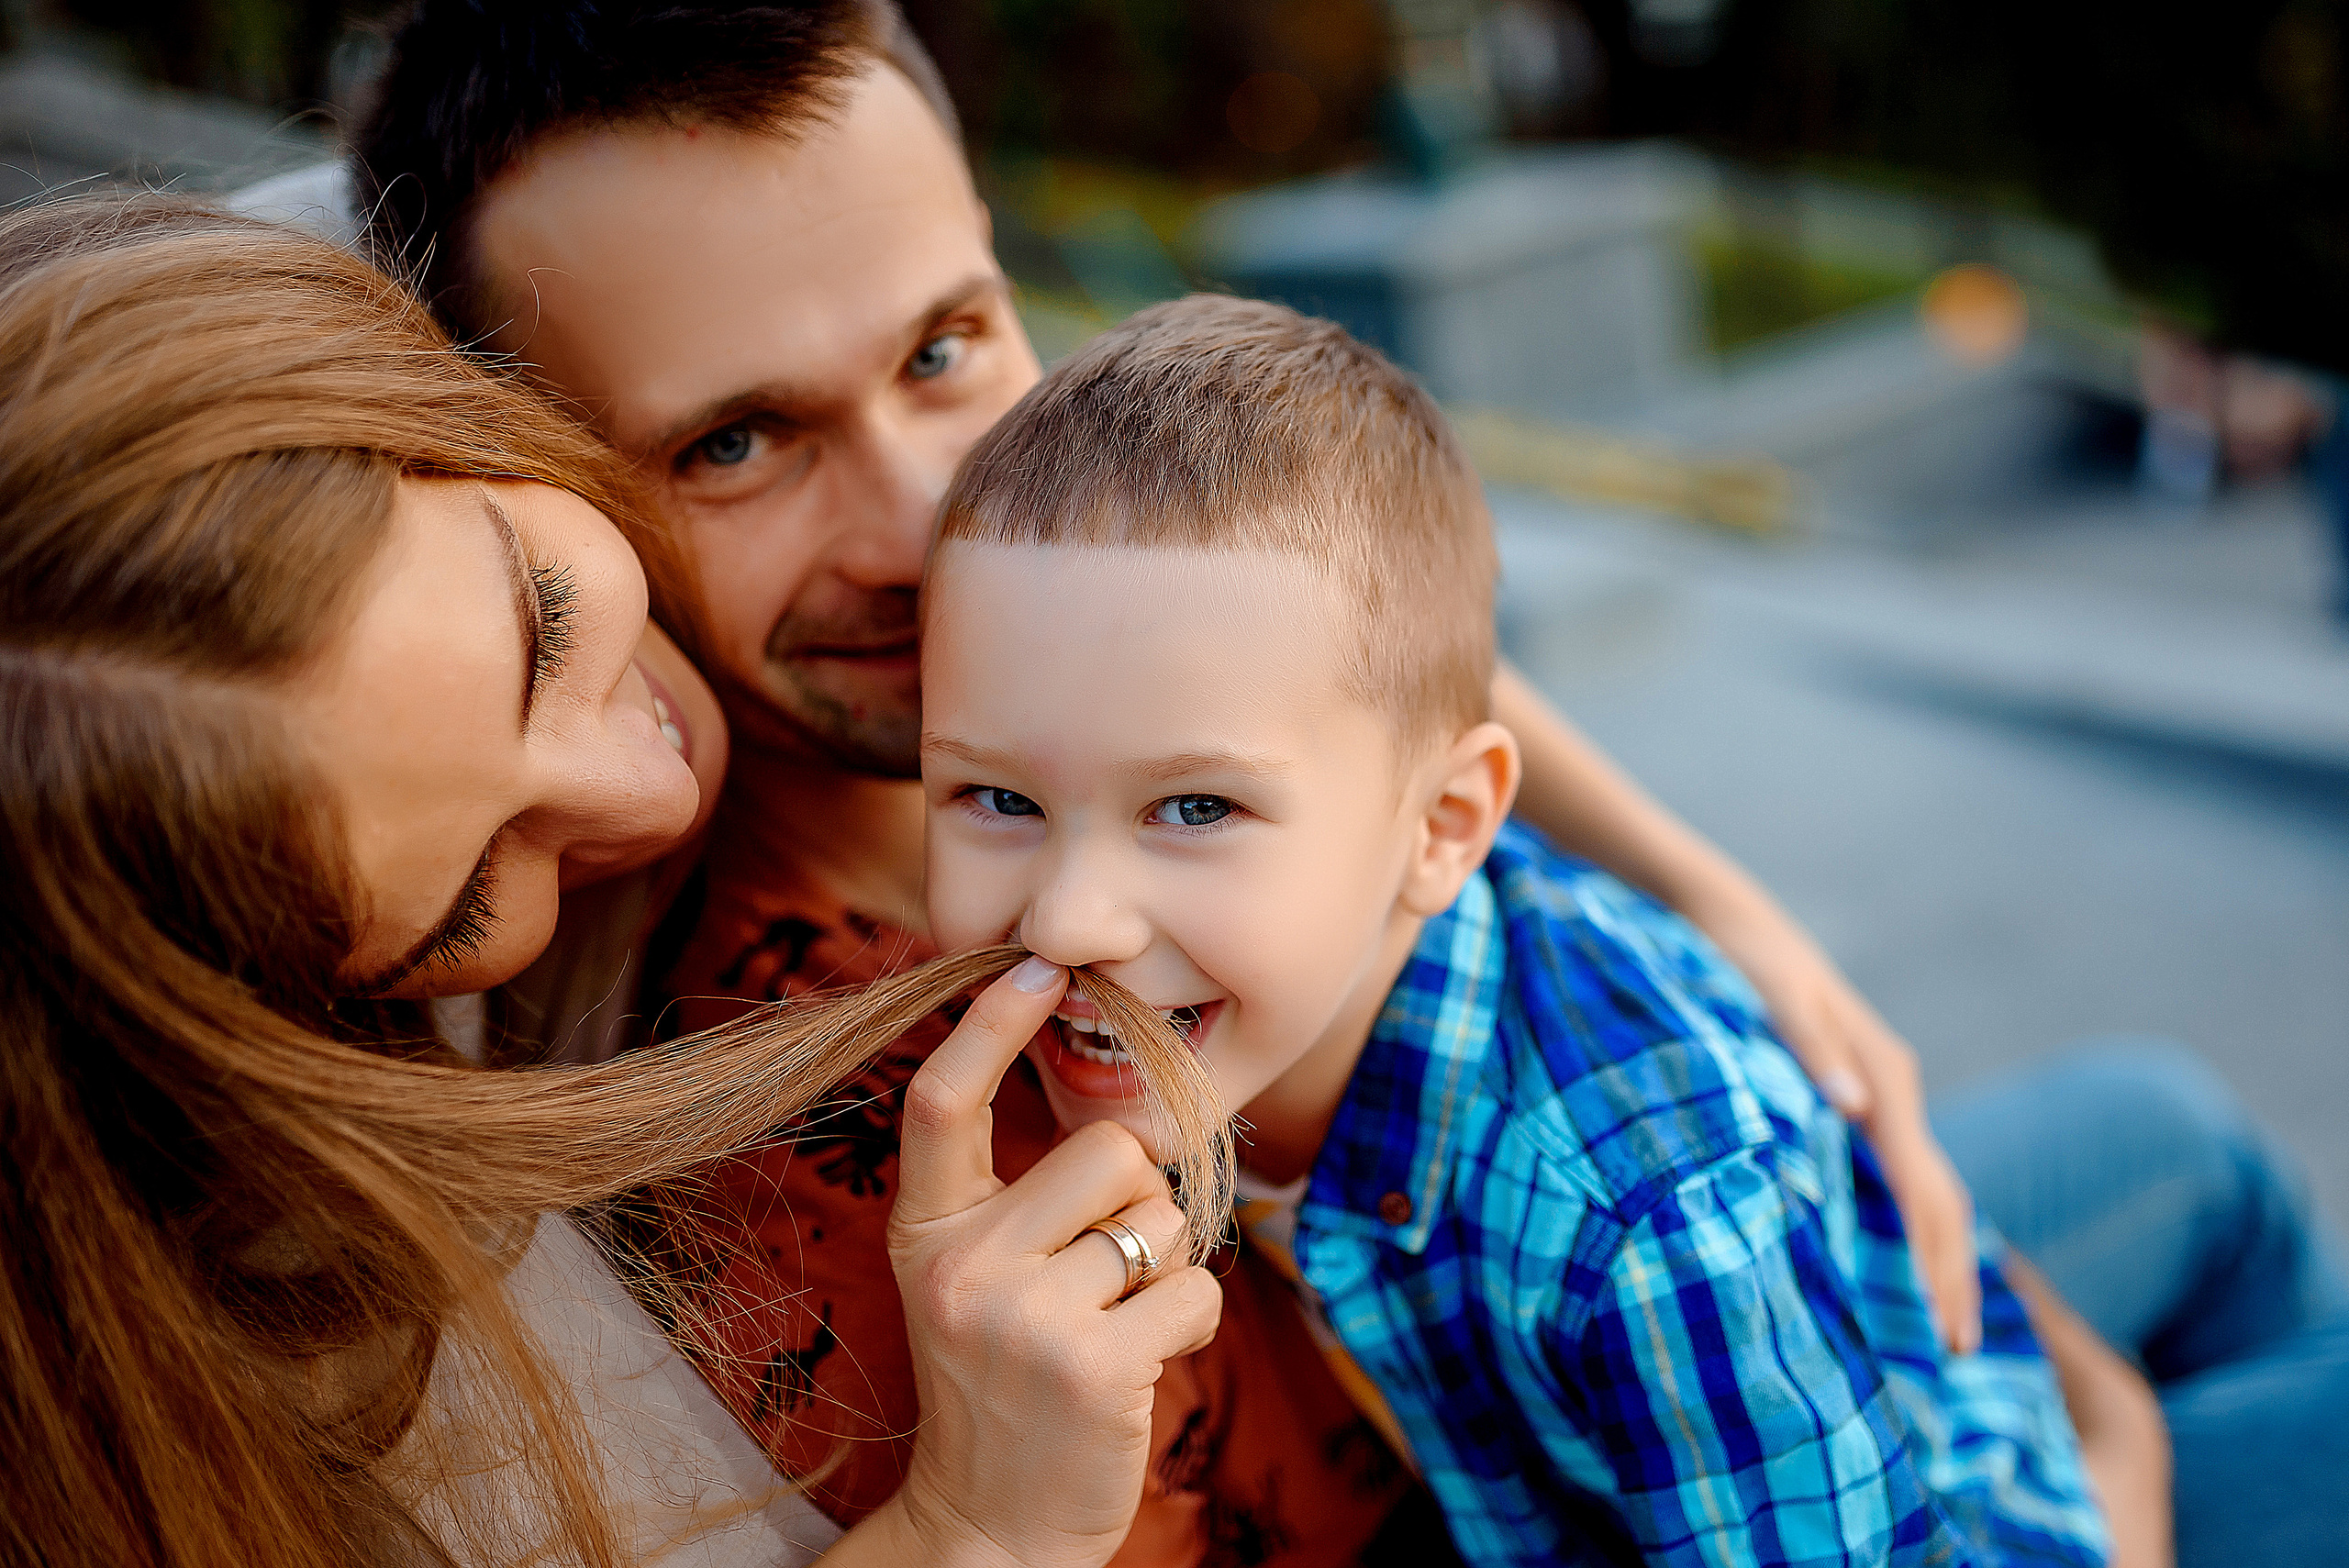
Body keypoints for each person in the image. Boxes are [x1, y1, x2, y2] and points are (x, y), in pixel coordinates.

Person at [326, 5, 1983, 1554]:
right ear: (546, 469)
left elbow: (1364, 657)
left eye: (943, 348)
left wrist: (1709, 898)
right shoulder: (829, 1118)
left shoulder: (1110, 608)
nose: (923, 526)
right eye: (735, 443)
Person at [910, 292, 2349, 1568]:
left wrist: (2125, 1475)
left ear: (1444, 829)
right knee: (2174, 1135)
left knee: (2183, 1149)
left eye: (1195, 808)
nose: (1069, 916)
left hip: (1977, 1501)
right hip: (1798, 1371)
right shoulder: (1295, 917)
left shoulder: (1646, 1220)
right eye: (995, 796)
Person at [0, 195, 1225, 1568]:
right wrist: (975, 1528)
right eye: (473, 892)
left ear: (442, 390)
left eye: (547, 624)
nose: (653, 793)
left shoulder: (458, 252)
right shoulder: (306, 1345)